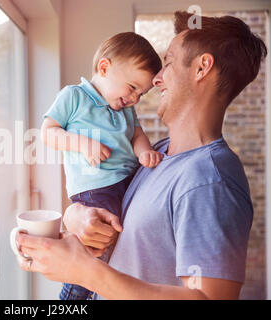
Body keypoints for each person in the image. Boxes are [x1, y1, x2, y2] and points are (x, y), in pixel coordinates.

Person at [17, 11, 267, 299]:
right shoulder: (157, 154)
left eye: (169, 63)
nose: (157, 79)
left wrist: (85, 272)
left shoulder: (210, 180)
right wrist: (76, 216)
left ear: (202, 68)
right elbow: (118, 215)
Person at [40, 32, 163, 300]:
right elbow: (48, 132)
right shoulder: (74, 97)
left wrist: (145, 152)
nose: (134, 99)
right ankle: (70, 298)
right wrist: (82, 143)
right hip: (96, 188)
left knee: (119, 248)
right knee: (97, 251)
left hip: (127, 183)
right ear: (104, 68)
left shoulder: (126, 111)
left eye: (141, 94)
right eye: (132, 88)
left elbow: (137, 135)